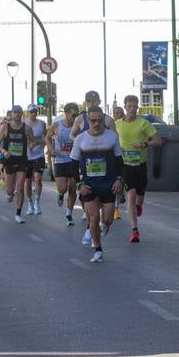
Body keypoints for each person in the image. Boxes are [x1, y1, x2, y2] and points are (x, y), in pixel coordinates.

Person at [70, 105, 125, 263]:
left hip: (108, 184)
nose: (96, 124)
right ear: (88, 120)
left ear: (103, 120)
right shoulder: (81, 139)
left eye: (99, 120)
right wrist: (80, 184)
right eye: (93, 120)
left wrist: (119, 179)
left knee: (106, 219)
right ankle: (98, 249)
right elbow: (73, 164)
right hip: (90, 185)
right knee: (93, 218)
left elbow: (119, 162)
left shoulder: (112, 136)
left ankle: (106, 226)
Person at [116, 94, 163, 244]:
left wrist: (144, 144)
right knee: (130, 194)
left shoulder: (143, 124)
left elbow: (158, 141)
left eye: (135, 106)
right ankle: (134, 231)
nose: (132, 109)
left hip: (140, 164)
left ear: (137, 107)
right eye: (129, 106)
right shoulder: (117, 124)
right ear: (125, 107)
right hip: (125, 165)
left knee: (139, 196)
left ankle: (139, 204)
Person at [0, 105, 32, 223]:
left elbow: (32, 139)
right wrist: (3, 151)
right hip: (9, 161)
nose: (17, 114)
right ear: (11, 115)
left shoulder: (26, 128)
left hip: (21, 160)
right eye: (15, 112)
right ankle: (10, 194)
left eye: (19, 112)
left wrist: (31, 145)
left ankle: (18, 214)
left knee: (20, 187)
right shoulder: (5, 127)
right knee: (9, 190)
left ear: (22, 114)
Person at [49, 102, 81, 226]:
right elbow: (47, 137)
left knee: (73, 188)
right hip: (60, 160)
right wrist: (51, 149)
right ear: (66, 114)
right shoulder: (57, 125)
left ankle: (69, 214)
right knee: (63, 188)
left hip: (73, 160)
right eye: (73, 115)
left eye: (77, 115)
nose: (75, 117)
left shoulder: (79, 126)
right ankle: (61, 193)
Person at [24, 106, 47, 215]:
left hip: (39, 155)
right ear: (27, 113)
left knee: (38, 179)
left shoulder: (42, 123)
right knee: (27, 181)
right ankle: (29, 203)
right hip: (26, 156)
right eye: (31, 112)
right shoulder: (23, 123)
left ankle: (37, 202)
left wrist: (43, 143)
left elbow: (46, 137)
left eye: (35, 112)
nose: (34, 114)